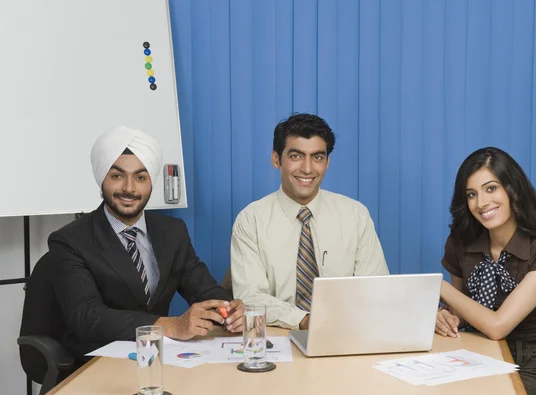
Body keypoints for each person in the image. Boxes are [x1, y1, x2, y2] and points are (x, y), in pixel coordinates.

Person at [50, 126, 243, 365]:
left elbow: (203, 289)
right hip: (97, 360)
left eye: (140, 177)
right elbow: (87, 317)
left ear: (151, 182)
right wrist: (171, 325)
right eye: (117, 176)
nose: (129, 188)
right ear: (102, 179)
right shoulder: (70, 240)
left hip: (158, 358)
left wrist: (228, 310)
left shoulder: (172, 231)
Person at [436, 147, 536, 395]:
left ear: (513, 189)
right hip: (468, 351)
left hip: (525, 363)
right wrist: (442, 316)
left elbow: (497, 326)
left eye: (491, 188)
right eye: (471, 194)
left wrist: (438, 287)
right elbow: (459, 310)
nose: (481, 203)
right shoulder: (460, 242)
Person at [231, 113, 389, 330]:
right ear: (276, 159)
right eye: (296, 156)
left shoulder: (356, 215)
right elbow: (250, 297)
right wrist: (304, 321)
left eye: (317, 157)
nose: (307, 169)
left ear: (327, 162)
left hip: (346, 335)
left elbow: (375, 289)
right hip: (278, 339)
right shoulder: (251, 220)